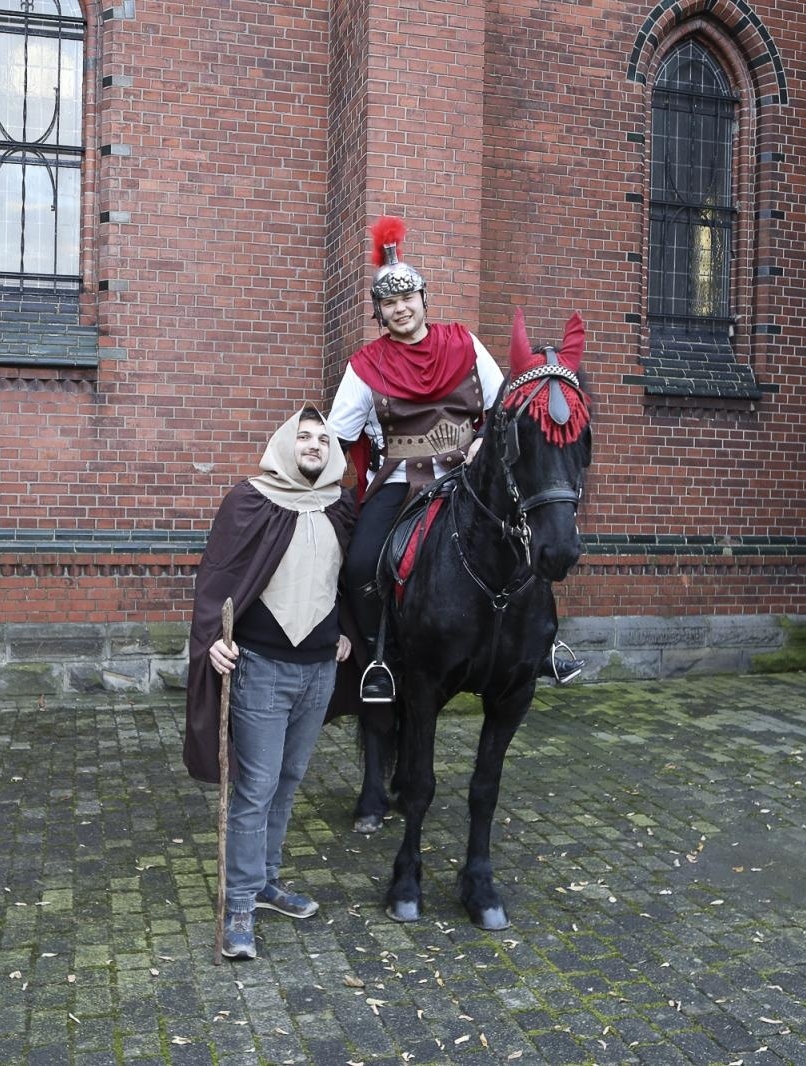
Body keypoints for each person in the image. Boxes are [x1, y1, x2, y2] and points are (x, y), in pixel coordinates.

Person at [327, 216, 585, 703]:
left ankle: (544, 643)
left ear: (423, 300)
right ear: (379, 314)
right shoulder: (364, 367)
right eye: (389, 303)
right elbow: (337, 436)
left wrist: (481, 441)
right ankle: (379, 658)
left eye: (407, 299)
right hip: (401, 484)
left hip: (470, 479)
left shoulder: (464, 344)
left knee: (532, 539)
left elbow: (503, 408)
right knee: (362, 563)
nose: (401, 309)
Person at [182, 407, 356, 960]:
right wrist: (211, 636)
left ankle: (264, 884)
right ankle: (237, 906)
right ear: (285, 444)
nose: (313, 444)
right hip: (261, 668)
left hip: (319, 670)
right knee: (255, 788)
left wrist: (347, 630)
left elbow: (349, 576)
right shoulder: (251, 499)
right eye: (303, 436)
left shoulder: (341, 505)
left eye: (322, 438)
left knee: (288, 779)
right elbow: (218, 574)